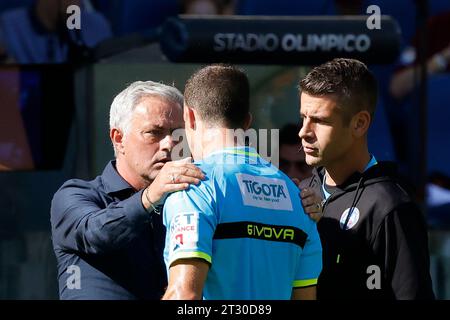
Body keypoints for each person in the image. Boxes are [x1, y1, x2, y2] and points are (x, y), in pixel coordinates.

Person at [161, 64, 322, 300]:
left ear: (190, 116)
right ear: (247, 122)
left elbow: (184, 296)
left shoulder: (195, 186)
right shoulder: (300, 200)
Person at [50, 81, 205, 299]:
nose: (169, 144)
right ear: (119, 138)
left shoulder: (187, 201)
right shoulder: (76, 194)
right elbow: (94, 233)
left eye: (177, 133)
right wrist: (149, 198)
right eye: (154, 132)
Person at [297, 58, 435, 299]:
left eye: (319, 120)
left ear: (359, 124)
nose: (304, 132)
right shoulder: (302, 193)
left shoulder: (390, 206)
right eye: (303, 117)